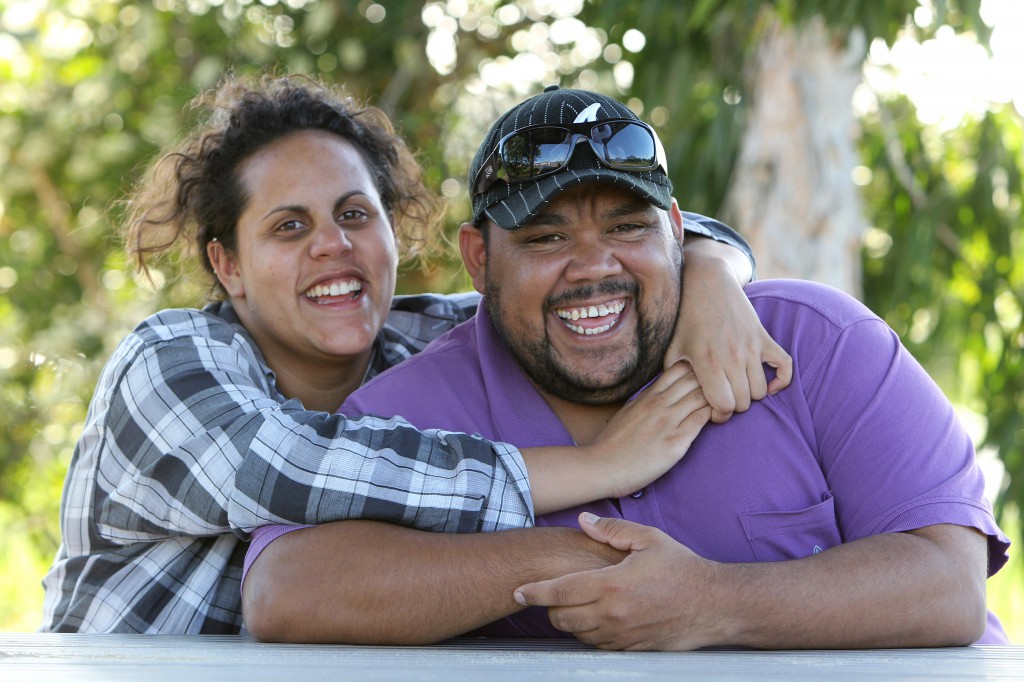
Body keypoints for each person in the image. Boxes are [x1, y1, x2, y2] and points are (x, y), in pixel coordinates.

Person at [243, 86, 1010, 649]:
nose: (593, 266)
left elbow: (947, 584)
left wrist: (715, 599)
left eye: (628, 226)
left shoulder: (819, 342)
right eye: (544, 237)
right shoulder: (410, 404)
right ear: (478, 259)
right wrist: (573, 559)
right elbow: (286, 591)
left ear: (678, 231)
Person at [40, 75, 788, 634]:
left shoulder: (421, 344)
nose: (332, 245)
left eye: (355, 214)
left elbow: (578, 282)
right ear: (228, 264)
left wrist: (710, 268)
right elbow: (292, 468)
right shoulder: (169, 361)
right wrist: (603, 467)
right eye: (289, 227)